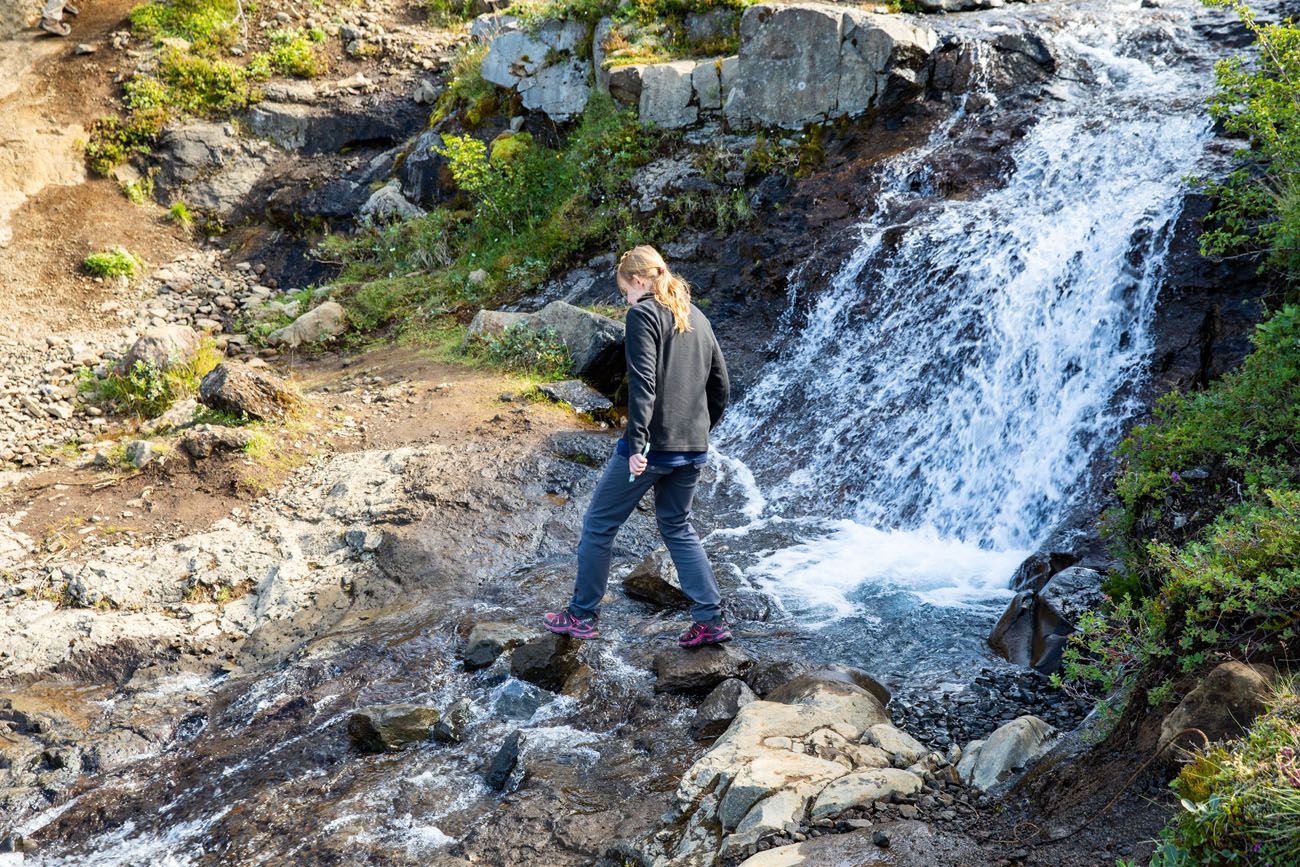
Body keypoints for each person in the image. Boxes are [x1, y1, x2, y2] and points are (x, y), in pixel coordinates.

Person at [544, 245, 732, 648]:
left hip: (652, 447)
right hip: (692, 447)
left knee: (598, 525)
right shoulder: (696, 317)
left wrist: (639, 443)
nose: (625, 299)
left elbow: (643, 384)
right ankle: (710, 619)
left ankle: (581, 616)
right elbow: (721, 387)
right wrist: (699, 431)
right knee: (678, 527)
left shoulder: (643, 314)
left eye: (624, 290)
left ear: (638, 281)